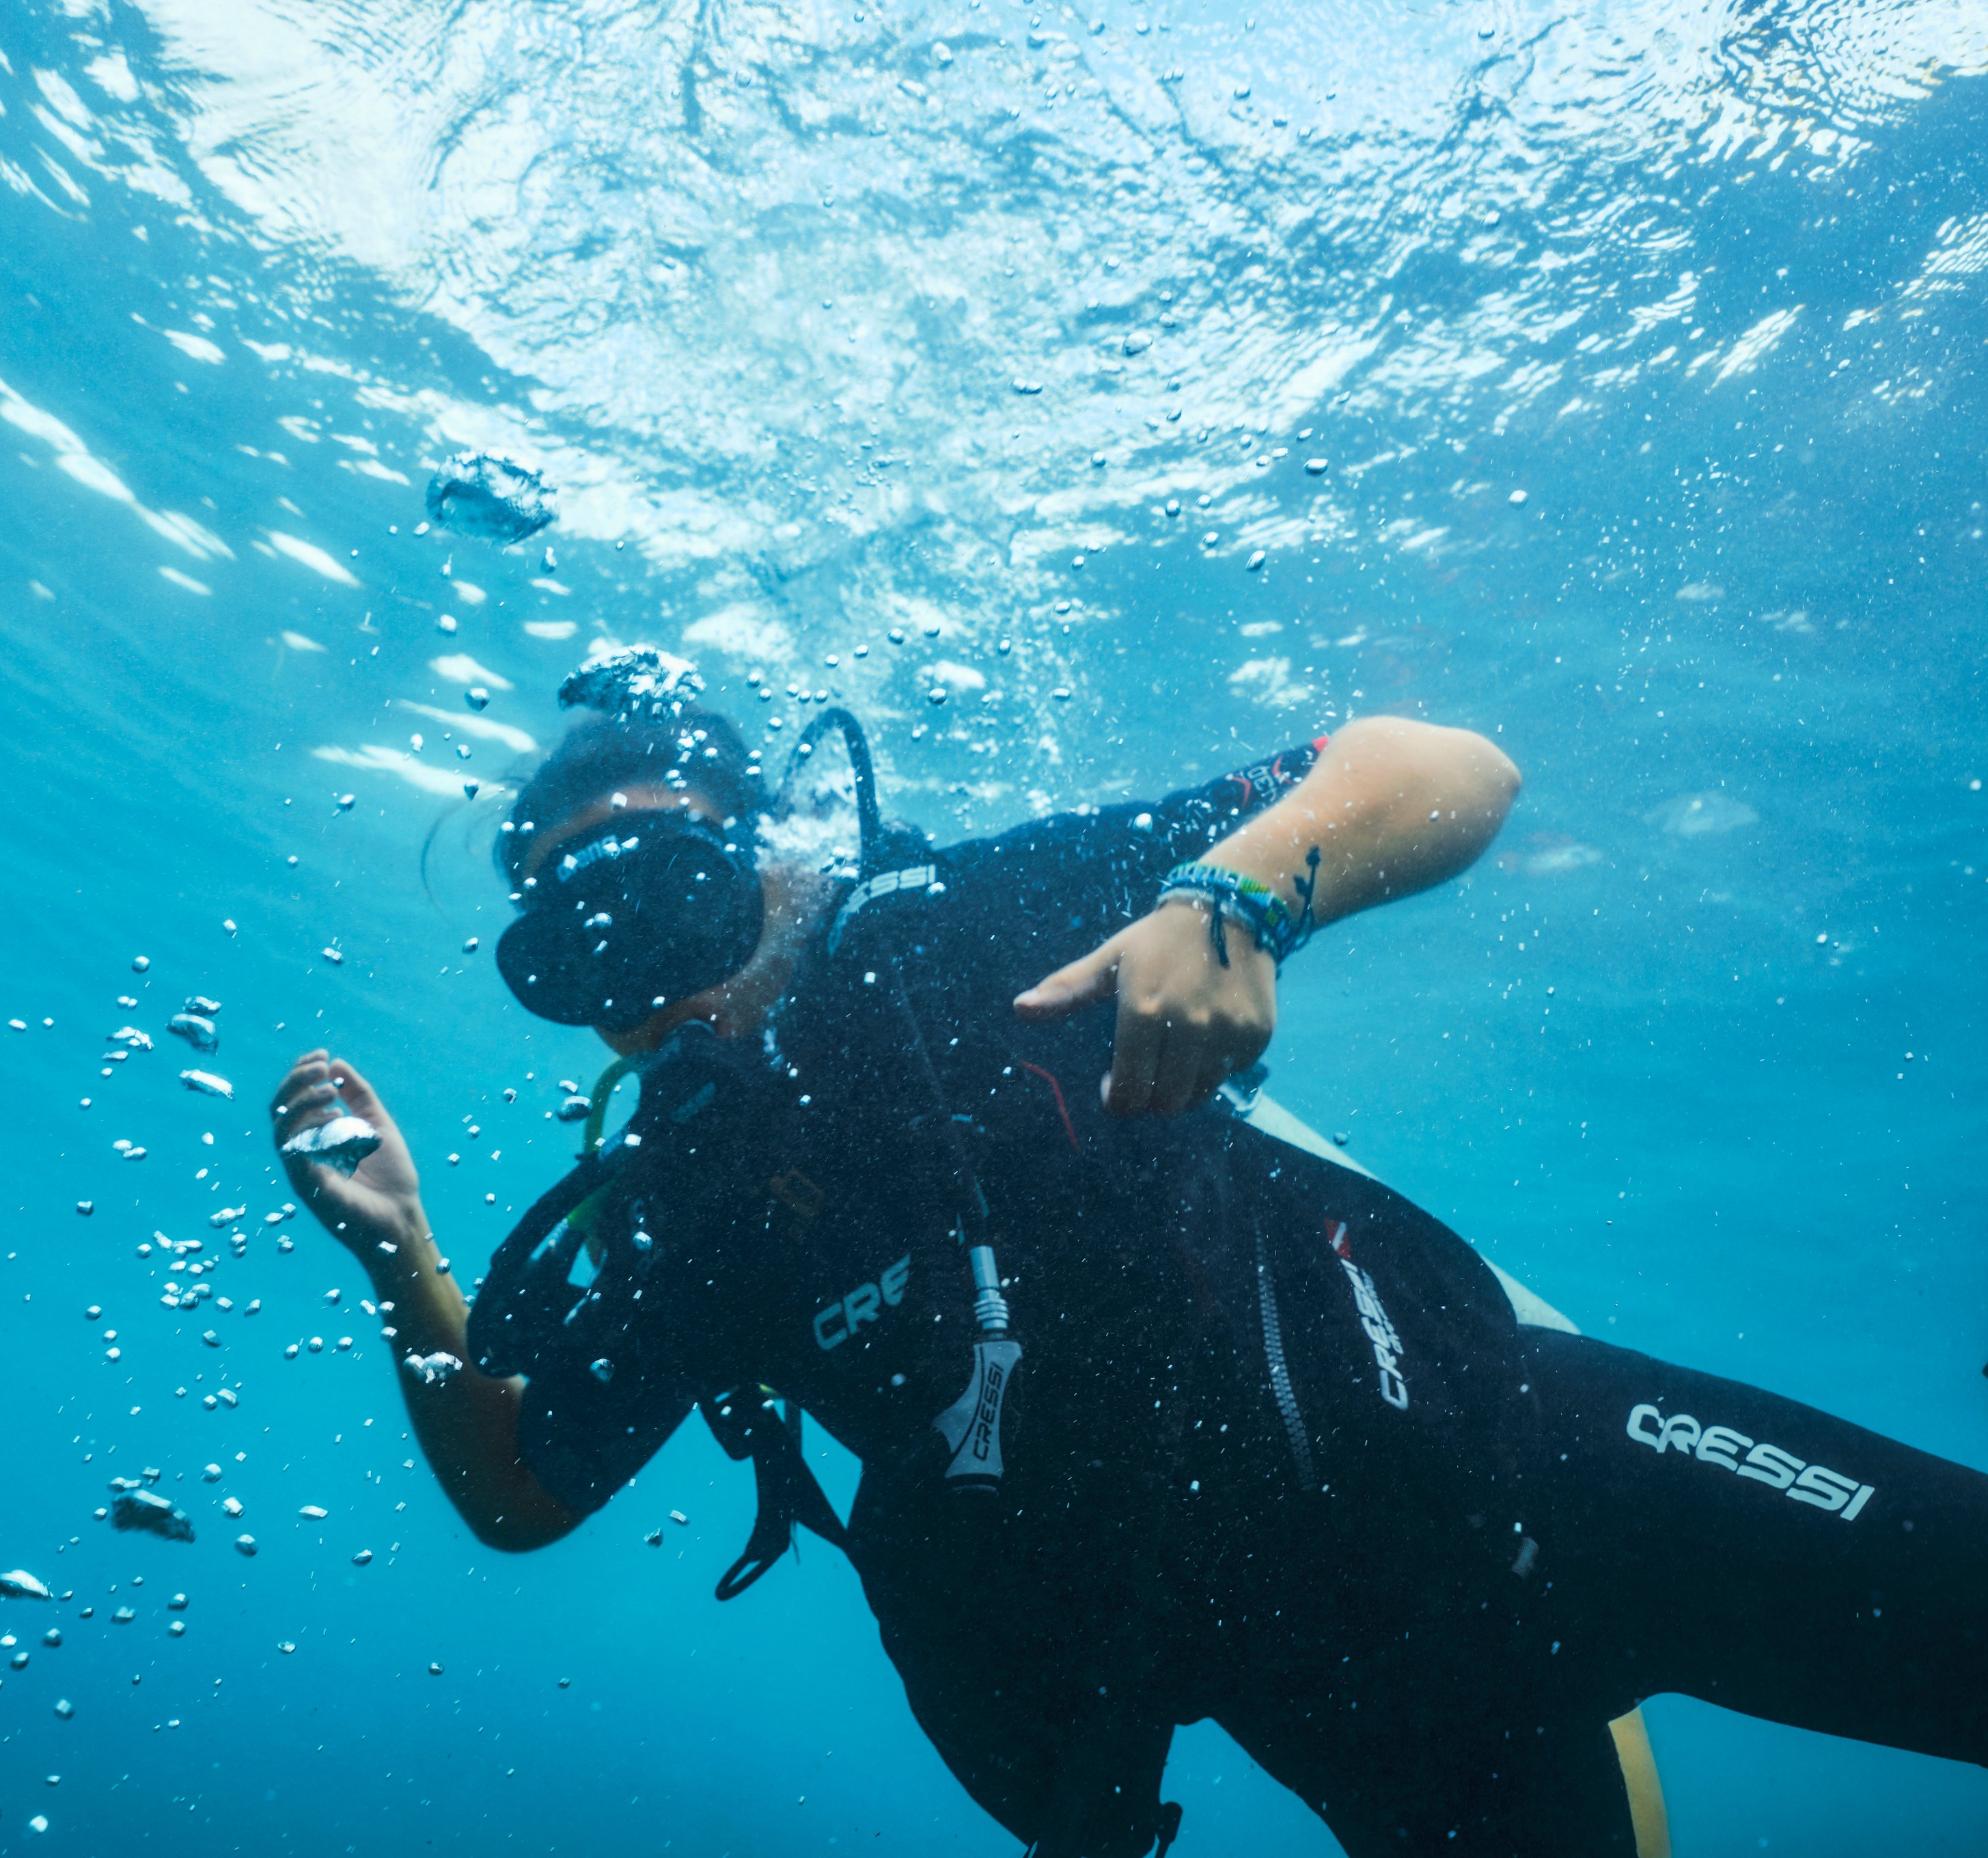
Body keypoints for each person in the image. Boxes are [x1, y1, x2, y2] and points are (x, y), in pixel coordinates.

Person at [268, 667, 1986, 1858]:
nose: (645, 981)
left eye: (671, 894)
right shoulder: (691, 1213)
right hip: (1346, 1698)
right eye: (576, 952)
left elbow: (1445, 763)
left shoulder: (966, 928)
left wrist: (1235, 900)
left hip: (1525, 1461)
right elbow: (517, 1487)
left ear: (777, 863)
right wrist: (398, 1253)